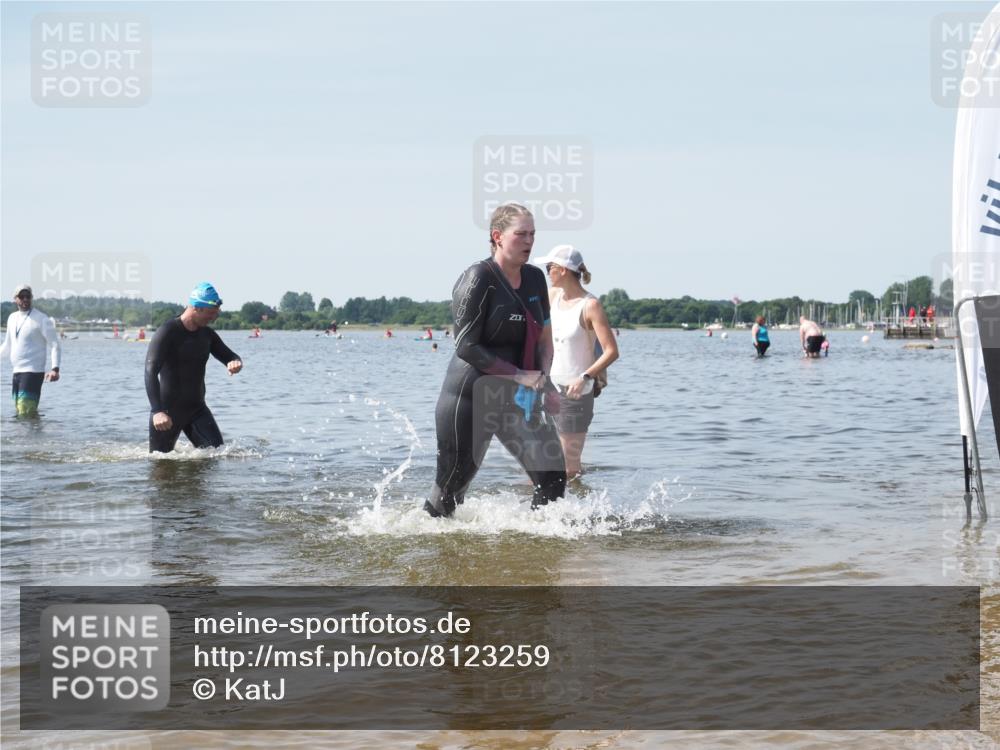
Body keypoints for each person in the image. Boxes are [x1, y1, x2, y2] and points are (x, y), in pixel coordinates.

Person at [425, 203, 566, 518]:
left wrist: (545, 382)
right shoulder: (478, 277)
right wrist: (519, 375)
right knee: (452, 488)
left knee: (553, 478)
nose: (529, 241)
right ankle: (434, 545)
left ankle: (534, 553)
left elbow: (544, 338)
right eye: (521, 234)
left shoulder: (533, 278)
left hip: (517, 396)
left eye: (532, 234)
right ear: (497, 236)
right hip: (469, 397)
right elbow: (466, 346)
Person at [534, 244, 618, 478]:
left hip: (576, 393)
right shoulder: (552, 296)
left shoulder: (590, 305)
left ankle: (575, 512)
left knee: (570, 466)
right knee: (542, 459)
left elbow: (611, 351)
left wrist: (585, 378)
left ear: (562, 270)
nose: (547, 271)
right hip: (548, 389)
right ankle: (542, 511)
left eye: (549, 267)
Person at [145, 283, 243, 453]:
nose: (213, 318)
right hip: (168, 412)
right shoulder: (168, 332)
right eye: (211, 313)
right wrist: (157, 411)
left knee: (219, 456)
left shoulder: (207, 334)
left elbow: (230, 356)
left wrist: (234, 362)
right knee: (160, 465)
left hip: (197, 409)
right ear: (197, 308)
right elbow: (150, 371)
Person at [0, 284, 61, 416]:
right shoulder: (12, 318)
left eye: (28, 296)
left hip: (33, 372)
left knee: (25, 411)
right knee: (20, 411)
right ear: (15, 299)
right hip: (17, 373)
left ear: (32, 298)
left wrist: (55, 369)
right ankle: (32, 435)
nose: (25, 299)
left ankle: (30, 435)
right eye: (22, 296)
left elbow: (55, 344)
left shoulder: (42, 319)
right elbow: (7, 347)